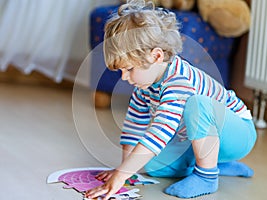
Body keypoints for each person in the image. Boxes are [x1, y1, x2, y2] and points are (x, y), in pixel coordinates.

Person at [85, 0, 257, 199]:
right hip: (203, 142)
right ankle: (217, 163)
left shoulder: (179, 81)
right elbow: (134, 128)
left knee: (198, 104)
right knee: (150, 165)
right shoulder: (144, 86)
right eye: (121, 70)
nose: (124, 77)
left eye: (130, 69)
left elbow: (160, 131)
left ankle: (207, 176)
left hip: (238, 134)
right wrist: (124, 170)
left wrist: (121, 174)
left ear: (156, 56)